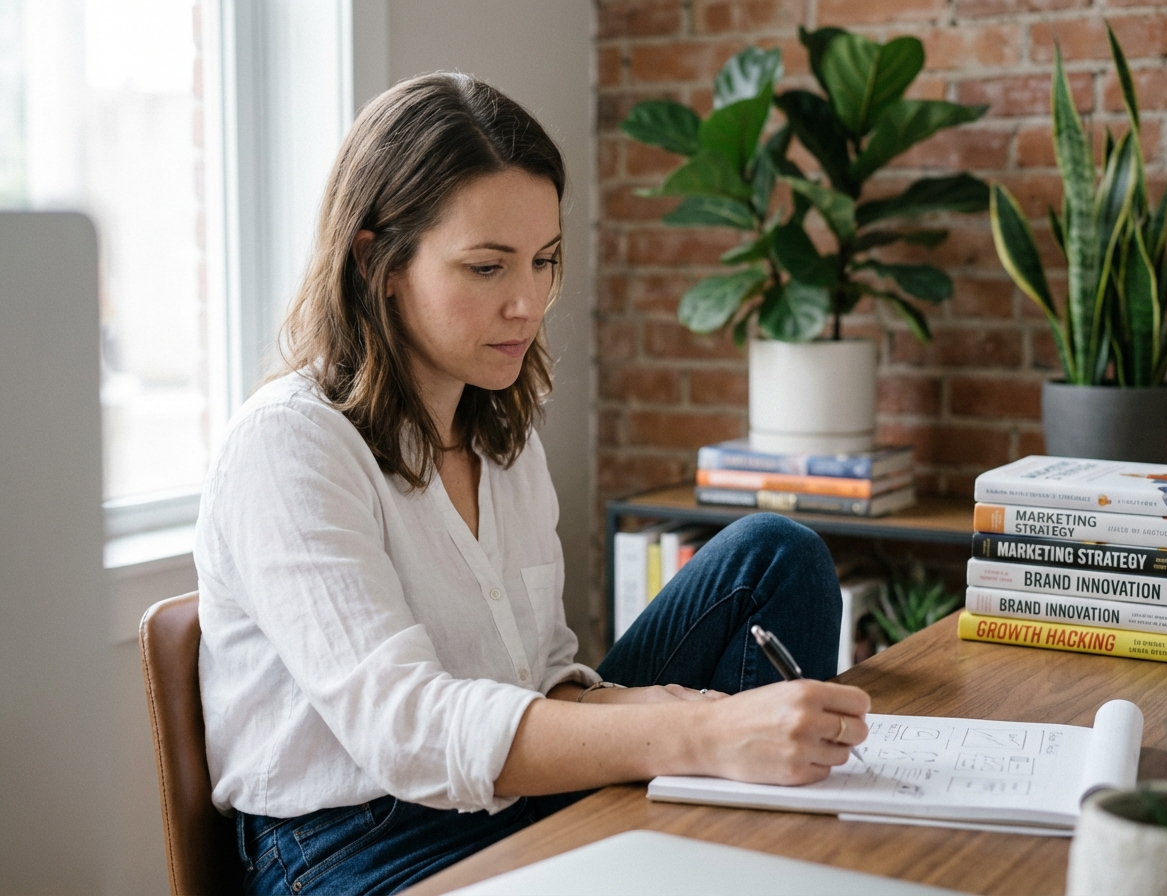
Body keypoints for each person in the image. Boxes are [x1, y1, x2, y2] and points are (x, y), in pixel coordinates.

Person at [195, 72, 871, 896]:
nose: (527, 303)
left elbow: (542, 674)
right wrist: (698, 732)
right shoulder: (289, 444)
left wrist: (651, 711)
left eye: (544, 262)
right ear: (379, 261)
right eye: (486, 268)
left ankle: (732, 834)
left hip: (508, 797)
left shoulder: (500, 430)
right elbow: (406, 730)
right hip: (353, 843)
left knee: (775, 555)